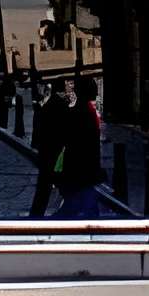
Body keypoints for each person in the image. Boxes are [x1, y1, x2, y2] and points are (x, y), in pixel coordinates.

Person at [52, 76, 107, 217]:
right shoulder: (87, 110)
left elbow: (67, 136)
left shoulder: (79, 111)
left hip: (78, 163)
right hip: (85, 163)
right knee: (83, 197)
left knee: (80, 198)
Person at [26, 77, 73, 217]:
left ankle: (36, 215)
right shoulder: (62, 106)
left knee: (44, 188)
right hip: (56, 153)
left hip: (46, 152)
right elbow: (66, 131)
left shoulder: (47, 106)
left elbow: (38, 129)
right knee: (61, 186)